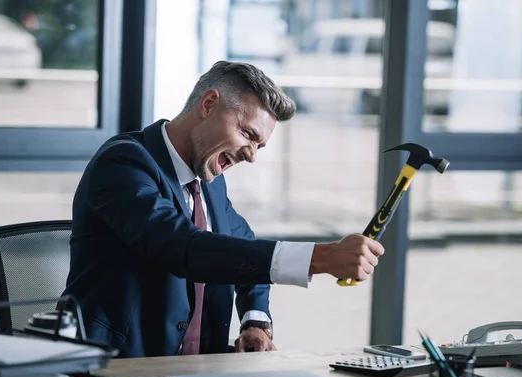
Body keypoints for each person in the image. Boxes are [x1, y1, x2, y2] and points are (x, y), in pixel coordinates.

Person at [62, 61, 384, 358]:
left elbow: (243, 247)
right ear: (208, 104)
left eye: (259, 145)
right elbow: (185, 248)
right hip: (115, 373)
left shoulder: (210, 182)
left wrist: (255, 321)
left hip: (200, 376)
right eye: (247, 134)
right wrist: (321, 257)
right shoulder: (123, 165)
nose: (251, 155)